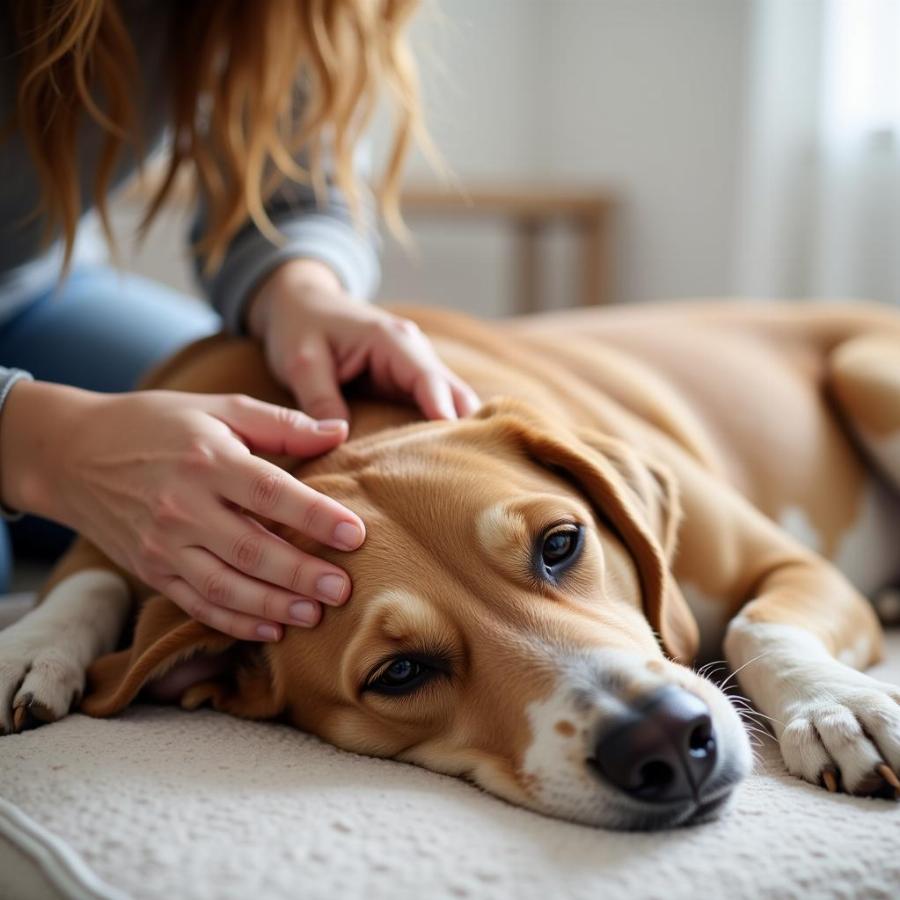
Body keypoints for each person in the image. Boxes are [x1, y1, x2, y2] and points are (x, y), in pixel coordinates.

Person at [0, 1, 478, 642]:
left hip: (32, 287)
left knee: (253, 454)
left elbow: (293, 193)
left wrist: (302, 291)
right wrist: (46, 446)